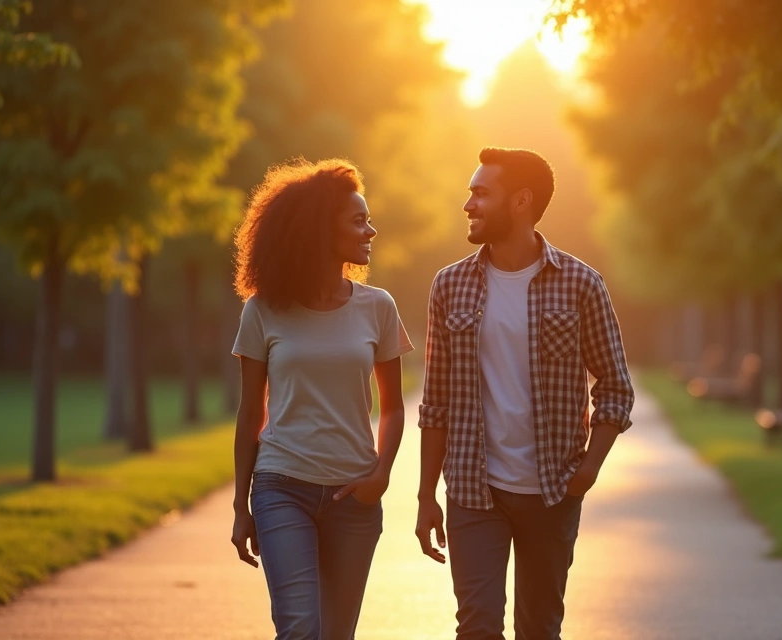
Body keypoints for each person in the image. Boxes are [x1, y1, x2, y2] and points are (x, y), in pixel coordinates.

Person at [415, 147, 635, 640]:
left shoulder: (580, 284)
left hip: (553, 492)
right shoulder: (449, 285)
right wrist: (427, 494)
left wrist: (587, 470)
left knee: (539, 630)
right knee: (476, 628)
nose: (468, 204)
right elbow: (436, 403)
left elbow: (616, 388)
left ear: (521, 201)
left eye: (480, 193)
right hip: (474, 491)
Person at [229, 158, 413, 639]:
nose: (370, 230)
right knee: (299, 629)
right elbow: (252, 412)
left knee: (336, 635)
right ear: (319, 229)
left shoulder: (379, 307)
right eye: (357, 221)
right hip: (281, 487)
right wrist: (239, 506)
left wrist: (380, 475)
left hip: (354, 497)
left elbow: (393, 407)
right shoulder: (263, 310)